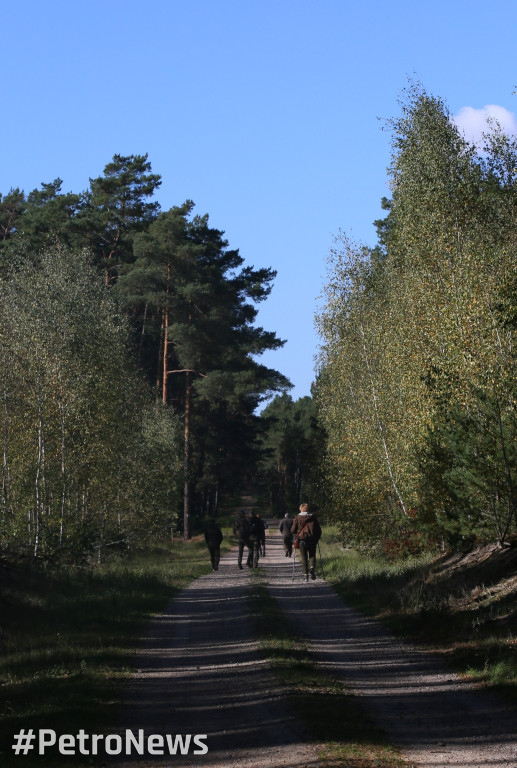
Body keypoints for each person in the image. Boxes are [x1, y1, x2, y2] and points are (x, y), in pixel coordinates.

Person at [291, 502, 322, 582]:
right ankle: (312, 568)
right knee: (312, 555)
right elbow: (319, 530)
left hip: (302, 541)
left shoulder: (297, 517)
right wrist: (316, 539)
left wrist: (297, 537)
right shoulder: (313, 517)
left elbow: (293, 530)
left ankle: (306, 576)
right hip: (312, 540)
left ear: (301, 509)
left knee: (304, 558)